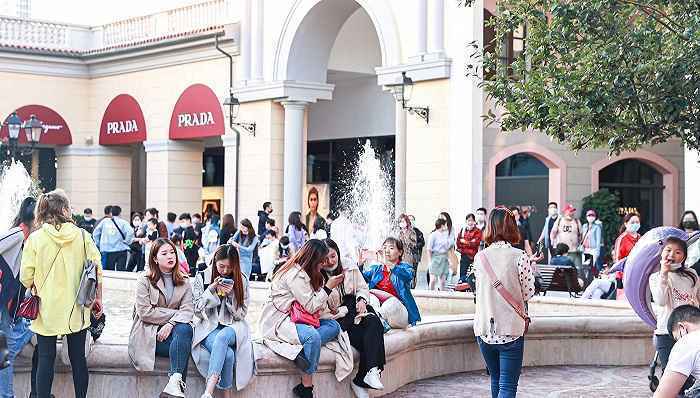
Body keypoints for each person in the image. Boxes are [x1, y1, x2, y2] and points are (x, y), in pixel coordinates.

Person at [20, 189, 104, 398]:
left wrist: (36, 285)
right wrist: (98, 298)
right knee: (78, 359)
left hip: (46, 308)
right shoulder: (83, 236)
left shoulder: (36, 238)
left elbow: (25, 276)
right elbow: (97, 269)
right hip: (77, 306)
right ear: (65, 209)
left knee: (46, 358)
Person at [259, 239, 348, 398]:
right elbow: (311, 306)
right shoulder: (295, 275)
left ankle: (300, 351)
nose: (324, 264)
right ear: (313, 259)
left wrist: (328, 289)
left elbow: (319, 305)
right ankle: (306, 387)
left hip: (299, 318)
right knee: (313, 338)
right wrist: (328, 287)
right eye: (322, 261)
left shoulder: (309, 271)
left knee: (334, 326)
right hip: (281, 320)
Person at [473, 207, 535, 398]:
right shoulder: (519, 256)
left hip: (484, 329)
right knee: (507, 386)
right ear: (512, 227)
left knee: (496, 380)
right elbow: (529, 292)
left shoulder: (480, 257)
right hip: (510, 330)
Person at [129, 238, 194, 398]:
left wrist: (171, 324)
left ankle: (174, 383)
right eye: (164, 253)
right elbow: (145, 312)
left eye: (172, 252)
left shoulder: (184, 281)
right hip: (149, 336)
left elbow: (188, 310)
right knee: (183, 345)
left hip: (174, 334)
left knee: (184, 331)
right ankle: (176, 388)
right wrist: (175, 315)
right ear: (155, 258)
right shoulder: (144, 280)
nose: (170, 256)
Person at [322, 239, 385, 398]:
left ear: (338, 253)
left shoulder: (349, 266)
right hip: (338, 320)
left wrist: (361, 300)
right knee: (369, 338)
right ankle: (362, 379)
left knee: (374, 322)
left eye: (333, 256)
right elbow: (320, 308)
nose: (330, 262)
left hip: (355, 312)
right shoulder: (317, 275)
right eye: (325, 259)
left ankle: (371, 372)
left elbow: (363, 287)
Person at [191, 244, 255, 398]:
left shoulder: (242, 280)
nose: (225, 271)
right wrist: (212, 291)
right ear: (214, 261)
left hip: (235, 327)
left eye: (230, 267)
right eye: (221, 266)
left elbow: (242, 314)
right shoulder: (202, 276)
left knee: (223, 337)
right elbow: (196, 309)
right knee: (228, 356)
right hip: (209, 327)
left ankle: (208, 392)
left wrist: (230, 297)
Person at [0, 197, 41, 398]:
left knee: (4, 353)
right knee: (3, 355)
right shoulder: (18, 233)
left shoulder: (28, 240)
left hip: (7, 307)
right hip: (2, 306)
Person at [650, 237, 700, 372]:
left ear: (683, 257)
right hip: (666, 332)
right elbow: (660, 301)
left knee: (689, 374)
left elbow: (697, 299)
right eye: (668, 250)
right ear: (662, 253)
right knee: (670, 373)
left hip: (690, 332)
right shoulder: (655, 277)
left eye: (678, 252)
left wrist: (695, 304)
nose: (672, 255)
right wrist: (664, 274)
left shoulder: (691, 275)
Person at [362, 237, 421, 327]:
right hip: (381, 311)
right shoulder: (376, 269)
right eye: (384, 247)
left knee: (392, 302)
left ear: (400, 252)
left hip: (399, 313)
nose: (387, 251)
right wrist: (359, 264)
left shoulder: (406, 268)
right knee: (370, 297)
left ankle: (377, 320)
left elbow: (407, 276)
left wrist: (387, 263)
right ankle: (379, 322)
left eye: (391, 248)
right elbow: (360, 281)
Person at [654, 305, 700, 398]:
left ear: (682, 327)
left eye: (677, 338)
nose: (678, 341)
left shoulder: (687, 341)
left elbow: (662, 395)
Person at [93, 205, 134, 271]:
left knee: (108, 271)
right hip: (121, 249)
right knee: (121, 271)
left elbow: (95, 233)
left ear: (111, 213)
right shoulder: (123, 222)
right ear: (120, 213)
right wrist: (127, 241)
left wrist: (98, 244)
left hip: (107, 249)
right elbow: (130, 232)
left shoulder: (104, 221)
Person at [456, 214, 483, 283]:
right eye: (468, 220)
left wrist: (464, 242)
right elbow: (458, 243)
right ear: (466, 221)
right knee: (462, 276)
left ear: (474, 222)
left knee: (473, 276)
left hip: (474, 257)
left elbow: (475, 243)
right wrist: (469, 243)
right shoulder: (463, 230)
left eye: (472, 220)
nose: (470, 222)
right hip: (464, 256)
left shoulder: (478, 231)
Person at [427, 219, 451, 291]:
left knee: (443, 281)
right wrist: (430, 261)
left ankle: (442, 295)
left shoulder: (446, 234)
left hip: (444, 257)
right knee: (433, 280)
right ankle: (430, 293)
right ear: (442, 225)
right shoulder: (433, 235)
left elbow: (448, 247)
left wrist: (449, 259)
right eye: (445, 225)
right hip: (435, 257)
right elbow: (429, 249)